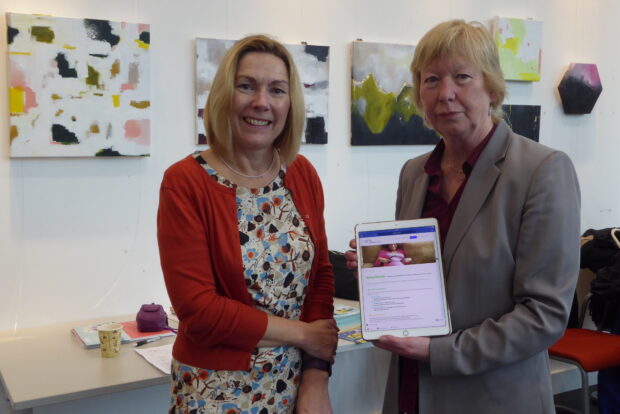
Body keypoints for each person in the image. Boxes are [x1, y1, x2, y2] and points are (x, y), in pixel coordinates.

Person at [345, 20, 581, 413]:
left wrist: (439, 352)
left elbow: (544, 315)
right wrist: (380, 273)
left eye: (462, 77)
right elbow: (423, 282)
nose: (445, 93)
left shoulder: (542, 170)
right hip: (412, 389)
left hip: (492, 396)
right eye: (431, 79)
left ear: (491, 87)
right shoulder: (415, 172)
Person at [157, 35, 337, 414]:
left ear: (291, 103)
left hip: (293, 384)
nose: (261, 102)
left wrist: (316, 379)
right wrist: (303, 334)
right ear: (225, 94)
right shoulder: (186, 181)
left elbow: (320, 274)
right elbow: (200, 311)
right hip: (214, 392)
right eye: (246, 86)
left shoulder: (302, 174)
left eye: (277, 90)